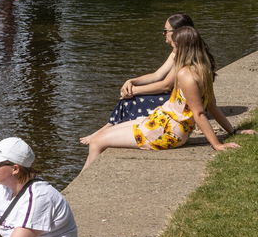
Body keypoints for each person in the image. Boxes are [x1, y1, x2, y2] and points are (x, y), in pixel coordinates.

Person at [81, 26, 254, 170]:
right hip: (162, 122)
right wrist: (232, 132)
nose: (172, 49)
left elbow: (200, 113)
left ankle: (82, 190)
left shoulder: (187, 75)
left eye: (174, 46)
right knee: (104, 133)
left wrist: (217, 145)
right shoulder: (204, 68)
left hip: (165, 131)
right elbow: (213, 106)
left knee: (96, 142)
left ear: (182, 48)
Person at [79, 13, 201, 145]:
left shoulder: (185, 54)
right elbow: (157, 75)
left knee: (131, 101)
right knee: (129, 100)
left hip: (183, 104)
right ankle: (106, 130)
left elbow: (165, 85)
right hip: (176, 98)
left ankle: (105, 133)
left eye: (165, 31)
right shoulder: (178, 51)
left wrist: (135, 91)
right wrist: (132, 81)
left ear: (178, 32)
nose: (163, 34)